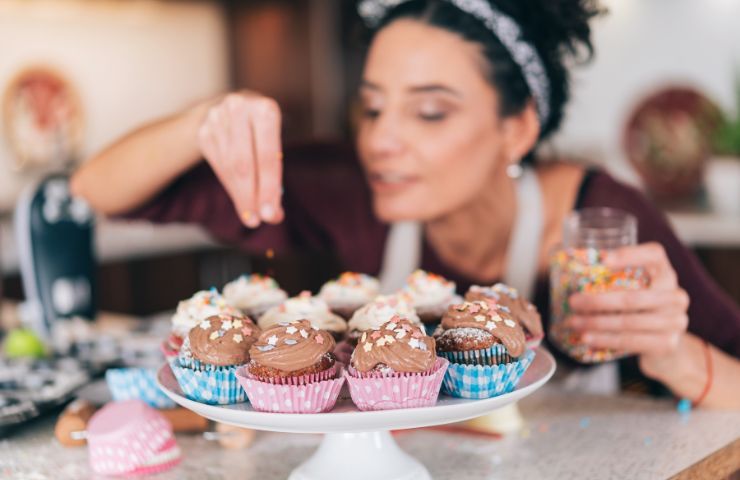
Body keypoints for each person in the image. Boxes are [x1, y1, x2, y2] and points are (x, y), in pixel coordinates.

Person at [71, 0, 740, 408]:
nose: (381, 141)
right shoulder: (349, 189)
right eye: (371, 107)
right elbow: (98, 189)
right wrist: (202, 120)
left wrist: (672, 351)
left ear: (519, 127)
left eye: (429, 111)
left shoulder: (599, 226)